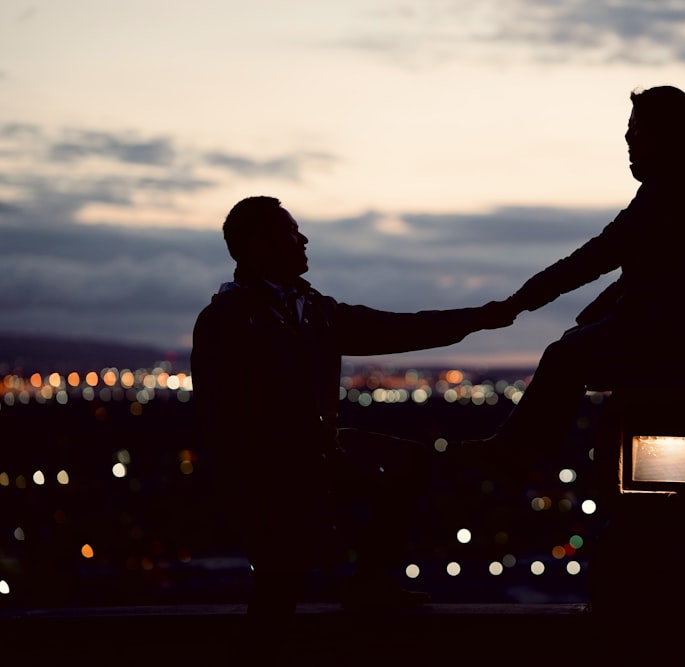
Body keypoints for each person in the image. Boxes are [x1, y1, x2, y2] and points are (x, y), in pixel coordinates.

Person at [191, 196, 515, 659]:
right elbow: (218, 418)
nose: (303, 240)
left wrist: (478, 320)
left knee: (409, 461)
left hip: (321, 455)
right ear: (259, 245)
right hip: (270, 474)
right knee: (277, 592)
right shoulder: (226, 320)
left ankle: (372, 583)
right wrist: (250, 483)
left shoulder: (315, 310)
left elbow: (396, 330)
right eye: (291, 232)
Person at [472, 85, 685, 453]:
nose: (627, 137)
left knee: (563, 356)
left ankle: (512, 453)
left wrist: (517, 303)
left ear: (663, 134)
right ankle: (525, 450)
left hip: (671, 328)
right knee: (574, 345)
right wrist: (594, 315)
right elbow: (648, 271)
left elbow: (593, 259)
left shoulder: (664, 194)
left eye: (636, 127)